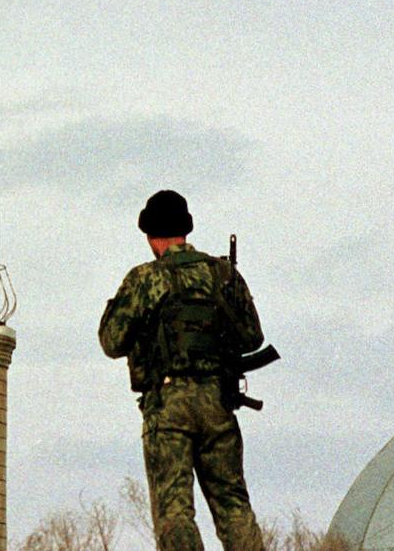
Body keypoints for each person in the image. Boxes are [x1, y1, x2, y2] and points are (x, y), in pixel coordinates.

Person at [99, 189, 267, 551]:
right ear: (185, 231)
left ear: (151, 237)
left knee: (175, 512)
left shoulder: (145, 279)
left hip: (169, 405)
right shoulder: (222, 274)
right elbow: (253, 336)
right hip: (217, 404)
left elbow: (112, 341)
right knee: (234, 506)